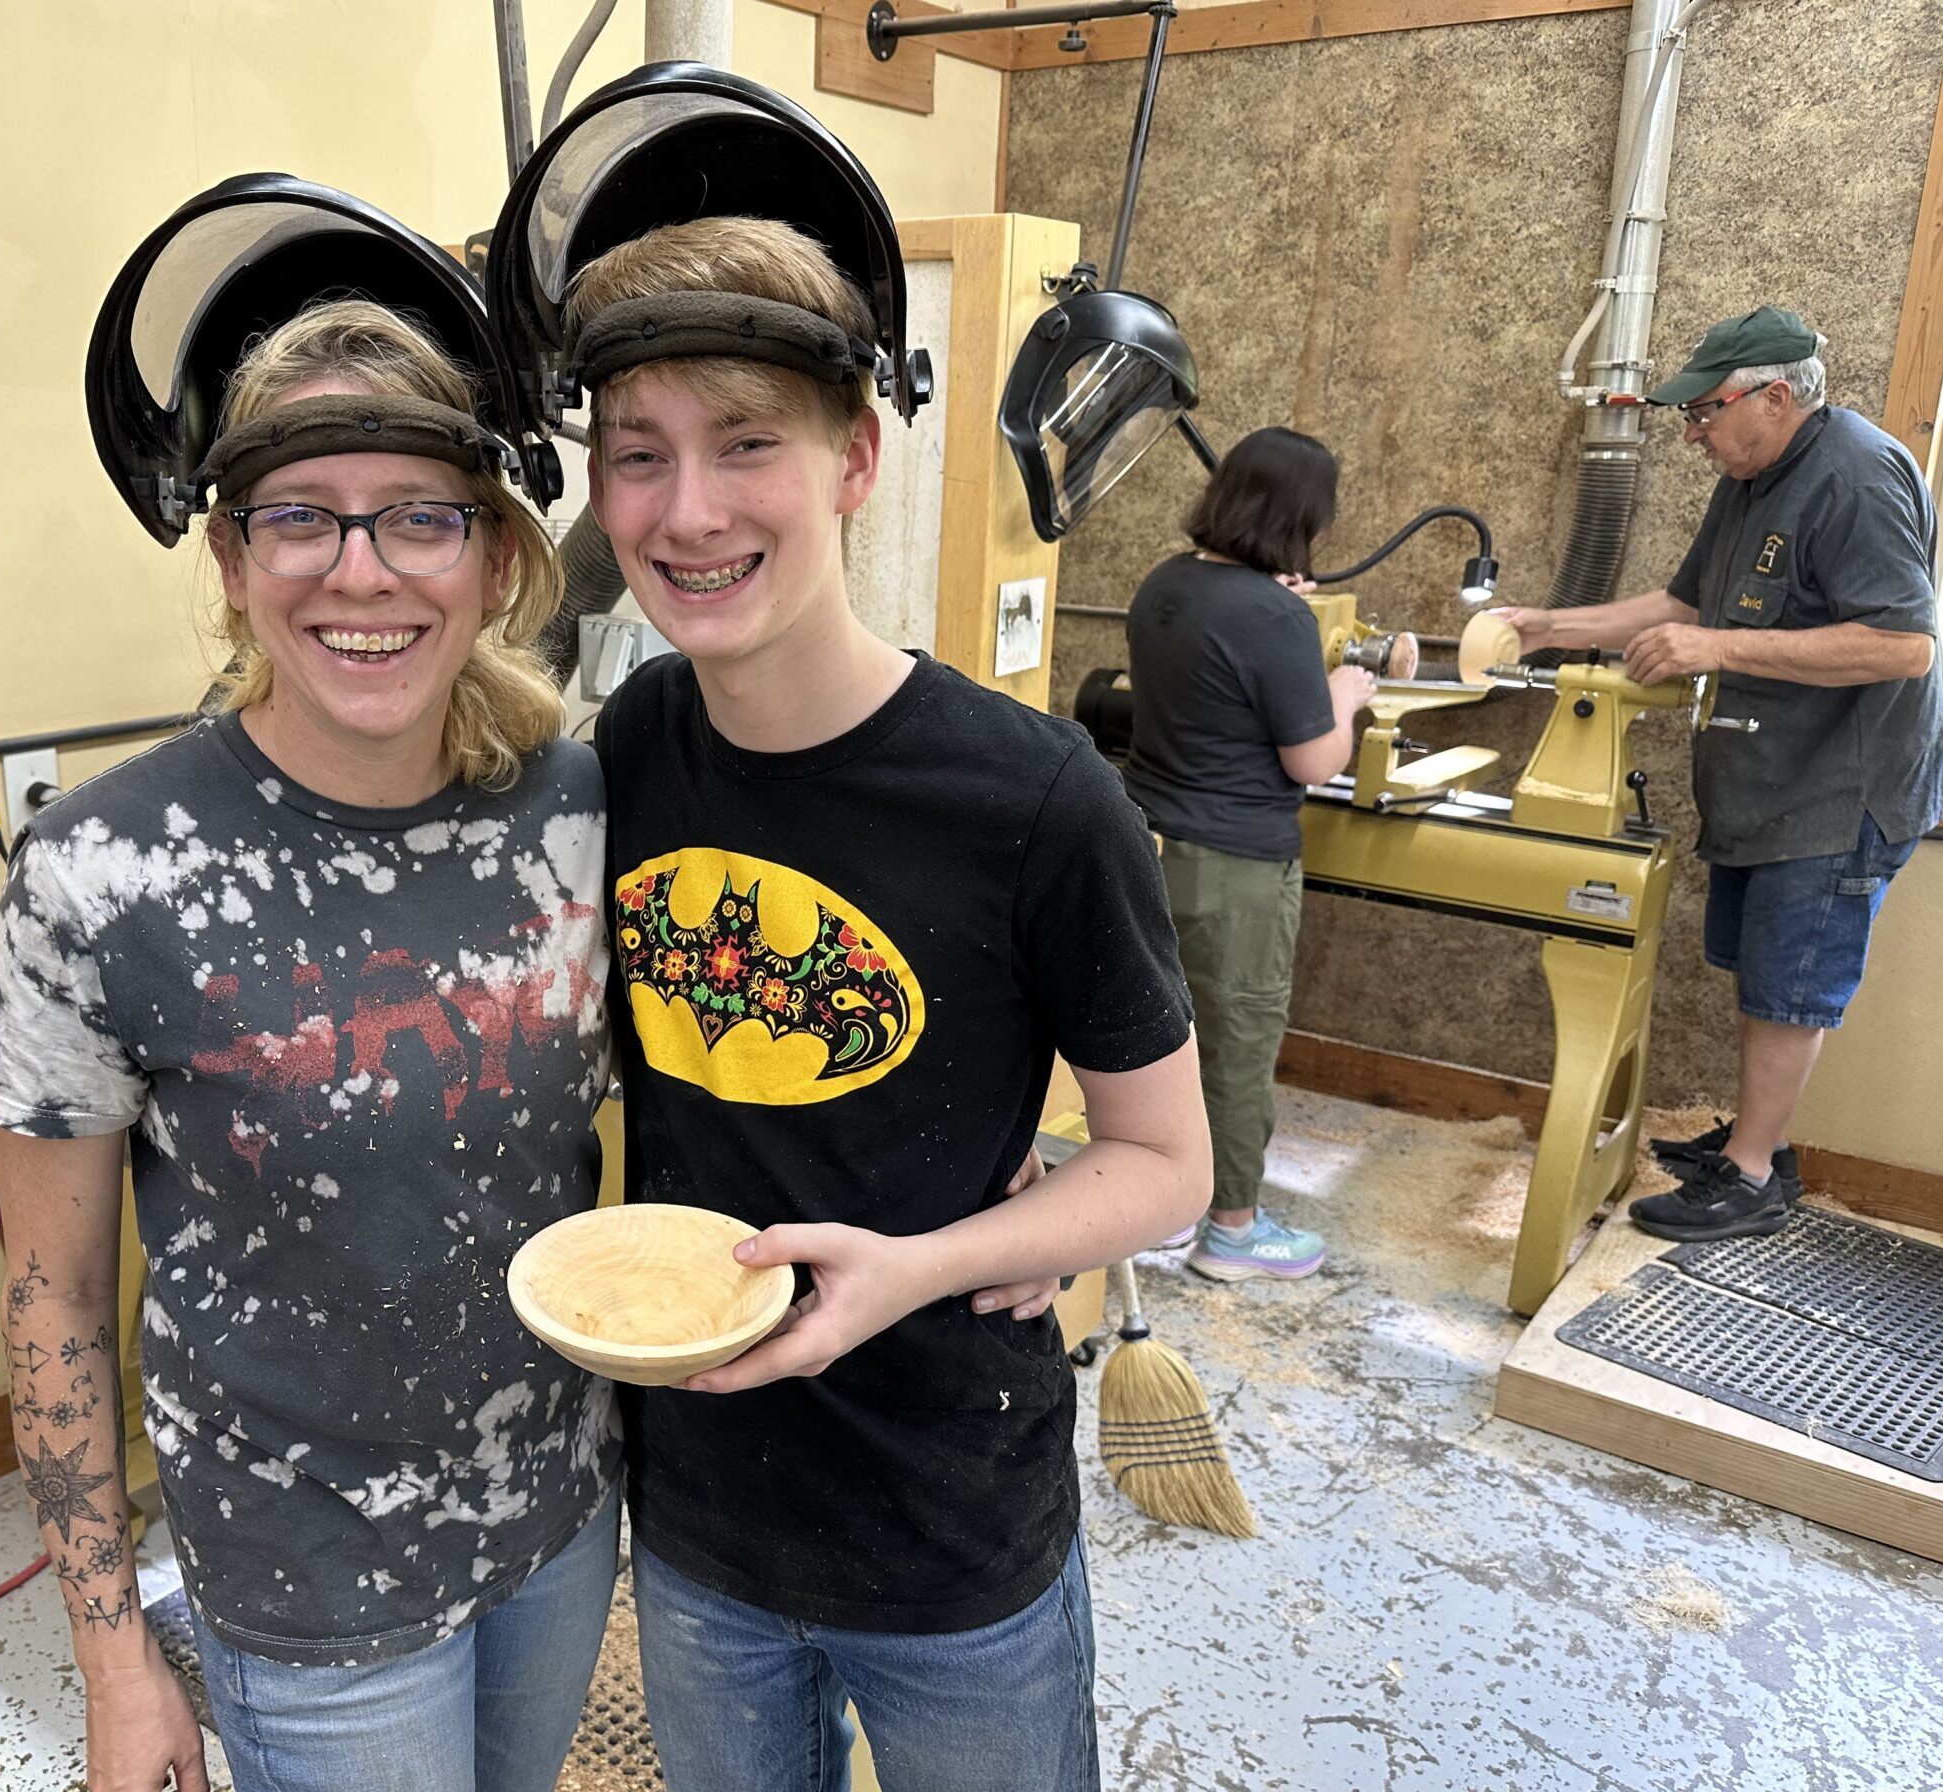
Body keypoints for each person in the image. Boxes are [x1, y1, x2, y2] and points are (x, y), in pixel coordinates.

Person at [569, 211, 1212, 1791]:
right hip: (703, 1513)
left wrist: (927, 1265)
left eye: (746, 444)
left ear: (857, 457)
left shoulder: (1037, 800)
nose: (691, 509)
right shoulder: (639, 740)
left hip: (948, 1524)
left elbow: (1165, 1165)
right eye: (638, 454)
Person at [0, 287, 621, 1791]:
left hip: (559, 1519)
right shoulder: (102, 873)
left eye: (418, 518)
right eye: (300, 518)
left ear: (496, 552)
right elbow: (50, 1296)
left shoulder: (579, 812)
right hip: (304, 1575)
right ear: (229, 556)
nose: (360, 570)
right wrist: (116, 1659)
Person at [1492, 305, 1943, 1243]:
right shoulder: (1750, 474)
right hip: (1771, 777)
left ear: (1775, 397)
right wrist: (1552, 626)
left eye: (1704, 413)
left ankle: (1750, 1180)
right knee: (1760, 973)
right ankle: (1759, 1143)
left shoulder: (1856, 476)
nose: (1694, 435)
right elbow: (1684, 601)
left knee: (1790, 984)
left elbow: (1903, 646)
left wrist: (1715, 647)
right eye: (1688, 418)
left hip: (1844, 787)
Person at [1120, 427, 1377, 1282]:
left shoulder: (1166, 584)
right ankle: (1231, 1228)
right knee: (1236, 1043)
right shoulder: (1276, 614)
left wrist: (1282, 612)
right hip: (1236, 869)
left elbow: (1220, 662)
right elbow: (1314, 761)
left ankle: (1153, 1204)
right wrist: (1346, 694)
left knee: (1160, 1040)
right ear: (1301, 517)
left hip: (1150, 846)